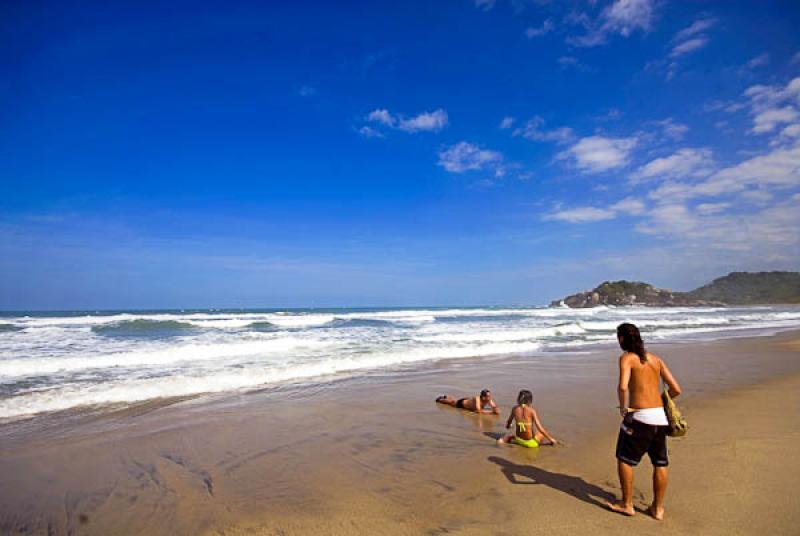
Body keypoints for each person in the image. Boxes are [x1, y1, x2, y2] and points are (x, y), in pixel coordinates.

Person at [607, 323, 682, 521]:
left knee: (624, 459)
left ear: (622, 339)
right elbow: (676, 389)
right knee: (660, 462)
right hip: (659, 417)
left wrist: (624, 408)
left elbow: (623, 387)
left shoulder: (626, 359)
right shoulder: (655, 359)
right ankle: (657, 509)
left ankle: (627, 504)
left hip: (639, 417)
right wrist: (660, 402)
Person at [435, 389, 499, 414]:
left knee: (453, 400)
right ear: (483, 397)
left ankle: (446, 396)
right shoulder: (477, 399)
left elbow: (494, 406)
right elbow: (478, 410)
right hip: (462, 404)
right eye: (488, 396)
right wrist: (492, 412)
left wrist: (496, 409)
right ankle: (441, 399)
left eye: (489, 395)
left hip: (467, 400)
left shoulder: (488, 399)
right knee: (451, 403)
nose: (489, 397)